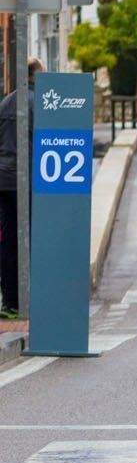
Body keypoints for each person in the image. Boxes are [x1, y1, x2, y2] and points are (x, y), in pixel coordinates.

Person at [0, 58, 42, 320]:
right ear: (36, 76)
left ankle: (10, 301)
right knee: (29, 239)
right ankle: (30, 299)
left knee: (6, 240)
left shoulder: (5, 102)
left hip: (3, 181)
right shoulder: (39, 104)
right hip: (24, 181)